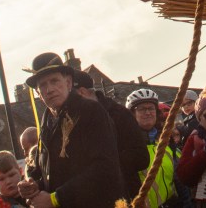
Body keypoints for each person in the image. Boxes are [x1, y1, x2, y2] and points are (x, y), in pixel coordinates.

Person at [17, 52, 123, 208]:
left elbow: (105, 168)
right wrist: (36, 185)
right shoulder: (46, 122)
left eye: (54, 81)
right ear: (38, 93)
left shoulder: (90, 111)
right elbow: (53, 174)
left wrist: (55, 199)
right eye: (43, 85)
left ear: (68, 82)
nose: (49, 89)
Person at [75, 71, 149, 200]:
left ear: (82, 92)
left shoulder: (119, 114)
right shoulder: (75, 121)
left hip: (125, 197)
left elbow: (141, 157)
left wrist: (102, 166)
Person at [126, 88, 179, 208]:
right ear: (132, 114)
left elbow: (178, 179)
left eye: (151, 108)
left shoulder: (167, 141)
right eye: (141, 109)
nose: (148, 112)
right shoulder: (127, 147)